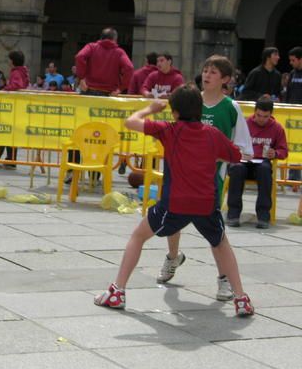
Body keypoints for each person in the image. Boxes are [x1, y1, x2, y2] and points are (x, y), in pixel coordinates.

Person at [94, 85, 254, 316]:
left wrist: (150, 108)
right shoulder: (212, 134)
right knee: (221, 244)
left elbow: (131, 122)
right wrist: (212, 156)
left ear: (175, 112)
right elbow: (236, 155)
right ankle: (241, 298)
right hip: (206, 203)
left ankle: (117, 291)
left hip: (174, 203)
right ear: (200, 110)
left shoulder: (169, 130)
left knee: (138, 236)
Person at [156, 55, 253, 302]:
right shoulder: (191, 101)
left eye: (213, 72)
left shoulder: (231, 107)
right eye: (205, 70)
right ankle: (173, 257)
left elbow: (244, 148)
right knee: (172, 217)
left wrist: (219, 155)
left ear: (226, 80)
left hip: (211, 179)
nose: (207, 75)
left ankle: (224, 280)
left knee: (215, 232)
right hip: (181, 173)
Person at [227, 97, 288, 229]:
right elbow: (231, 143)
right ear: (254, 112)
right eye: (258, 115)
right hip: (243, 161)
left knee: (265, 170)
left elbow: (284, 150)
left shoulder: (277, 128)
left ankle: (263, 215)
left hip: (262, 164)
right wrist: (238, 152)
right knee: (237, 169)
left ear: (271, 114)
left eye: (265, 116)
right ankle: (233, 214)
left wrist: (275, 153)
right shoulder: (244, 124)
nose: (261, 119)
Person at [0, 50, 29, 168]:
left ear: (13, 61)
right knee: (10, 133)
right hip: (18, 106)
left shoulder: (16, 72)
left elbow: (16, 85)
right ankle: (10, 160)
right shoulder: (23, 71)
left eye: (9, 59)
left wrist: (5, 90)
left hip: (12, 106)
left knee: (4, 132)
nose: (8, 61)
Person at [75, 28, 134, 96]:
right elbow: (130, 67)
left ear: (101, 37)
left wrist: (81, 78)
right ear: (115, 39)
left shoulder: (91, 47)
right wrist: (120, 88)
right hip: (109, 93)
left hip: (88, 89)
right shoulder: (119, 52)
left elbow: (80, 56)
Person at [286, 47, 302, 188]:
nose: (291, 63)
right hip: (293, 114)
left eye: (293, 60)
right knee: (294, 146)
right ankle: (293, 179)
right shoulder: (292, 74)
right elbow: (288, 93)